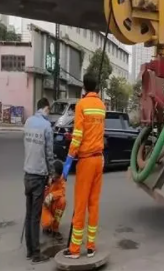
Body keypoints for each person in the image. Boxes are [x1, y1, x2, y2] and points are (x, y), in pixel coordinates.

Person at [62, 73, 106, 259]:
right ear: (96, 87)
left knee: (80, 204)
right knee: (93, 204)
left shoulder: (81, 105)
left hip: (86, 160)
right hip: (99, 160)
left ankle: (74, 250)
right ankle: (90, 247)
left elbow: (78, 134)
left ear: (84, 87)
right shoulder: (102, 107)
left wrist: (69, 158)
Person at [23, 97, 54, 264]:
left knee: (29, 215)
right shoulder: (46, 127)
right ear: (46, 109)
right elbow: (49, 155)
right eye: (49, 110)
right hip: (38, 176)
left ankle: (29, 250)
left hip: (27, 173)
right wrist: (52, 174)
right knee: (35, 216)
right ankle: (36, 254)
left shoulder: (28, 122)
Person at [41, 160, 66, 242]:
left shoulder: (61, 178)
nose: (56, 178)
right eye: (55, 175)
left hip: (53, 202)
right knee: (47, 223)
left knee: (62, 201)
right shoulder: (46, 176)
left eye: (58, 176)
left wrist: (52, 196)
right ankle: (46, 227)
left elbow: (62, 191)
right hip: (45, 204)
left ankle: (55, 229)